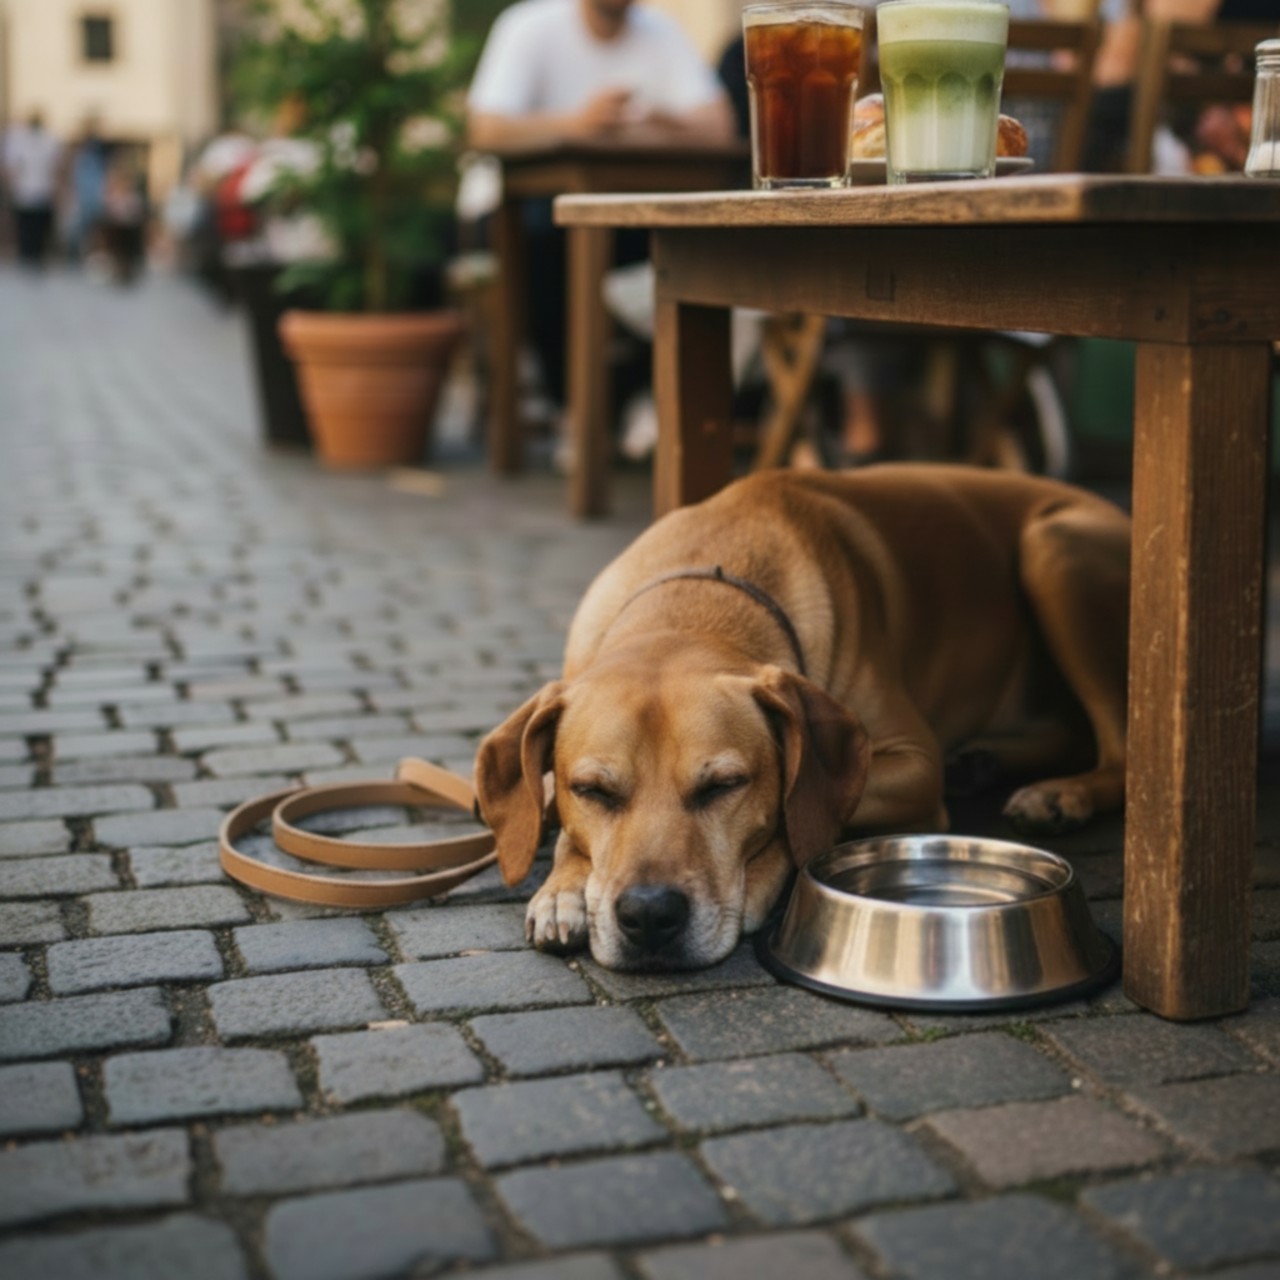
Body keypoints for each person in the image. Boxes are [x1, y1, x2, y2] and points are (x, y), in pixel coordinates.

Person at [465, 0, 735, 419]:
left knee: (690, 242)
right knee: (551, 236)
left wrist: (656, 118)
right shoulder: (528, 26)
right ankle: (575, 407)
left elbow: (719, 127)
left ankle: (635, 402)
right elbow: (486, 129)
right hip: (521, 210)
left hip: (628, 207)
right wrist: (577, 123)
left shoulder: (661, 33)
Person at [2, 110, 64, 269]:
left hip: (42, 190)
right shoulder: (19, 140)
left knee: (39, 229)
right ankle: (26, 258)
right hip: (25, 192)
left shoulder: (49, 140)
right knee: (25, 228)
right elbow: (12, 167)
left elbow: (56, 167)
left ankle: (36, 258)